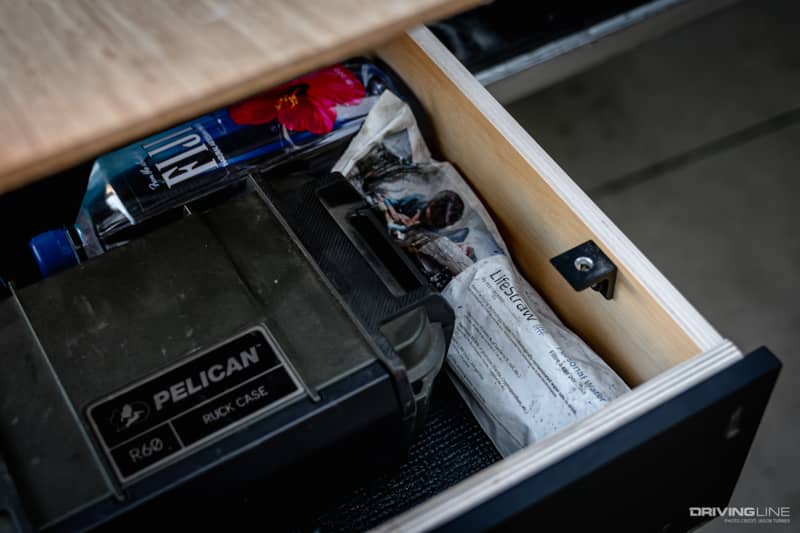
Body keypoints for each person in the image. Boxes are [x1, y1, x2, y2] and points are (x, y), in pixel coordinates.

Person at [383, 190, 464, 235]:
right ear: (430, 203)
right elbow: (387, 201)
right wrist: (395, 213)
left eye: (431, 223)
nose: (423, 220)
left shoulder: (435, 235)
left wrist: (409, 229)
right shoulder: (417, 200)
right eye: (425, 215)